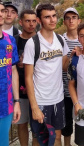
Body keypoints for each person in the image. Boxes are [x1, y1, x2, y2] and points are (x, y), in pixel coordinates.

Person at [23, 3, 70, 146]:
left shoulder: (61, 40)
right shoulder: (33, 43)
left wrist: (77, 54)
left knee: (57, 136)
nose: (52, 20)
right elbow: (28, 78)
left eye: (54, 16)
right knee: (39, 138)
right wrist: (34, 107)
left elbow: (64, 66)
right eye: (47, 17)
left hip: (58, 98)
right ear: (39, 20)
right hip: (41, 100)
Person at [14, 9, 38, 146]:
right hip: (20, 92)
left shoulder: (40, 40)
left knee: (37, 127)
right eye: (28, 21)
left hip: (38, 91)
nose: (31, 24)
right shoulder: (14, 41)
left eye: (34, 21)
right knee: (22, 124)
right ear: (21, 22)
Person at [0, 0, 21, 145]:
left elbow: (13, 70)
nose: (1, 14)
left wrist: (17, 101)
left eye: (2, 10)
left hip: (5, 105)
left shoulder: (10, 40)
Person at [62, 7, 82, 146]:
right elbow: (62, 66)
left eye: (74, 17)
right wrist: (71, 56)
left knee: (82, 122)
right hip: (63, 89)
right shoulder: (59, 40)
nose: (71, 20)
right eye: (68, 18)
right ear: (64, 22)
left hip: (82, 90)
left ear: (79, 20)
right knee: (66, 123)